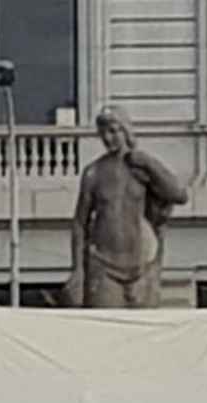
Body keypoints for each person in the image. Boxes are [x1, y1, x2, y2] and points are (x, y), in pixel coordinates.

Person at [65, 105, 189, 308]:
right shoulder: (93, 173)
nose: (108, 138)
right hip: (103, 264)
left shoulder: (141, 168)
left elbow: (179, 195)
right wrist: (77, 269)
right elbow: (80, 223)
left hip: (141, 264)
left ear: (125, 130)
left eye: (113, 131)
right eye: (103, 132)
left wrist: (149, 163)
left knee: (143, 332)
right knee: (106, 329)